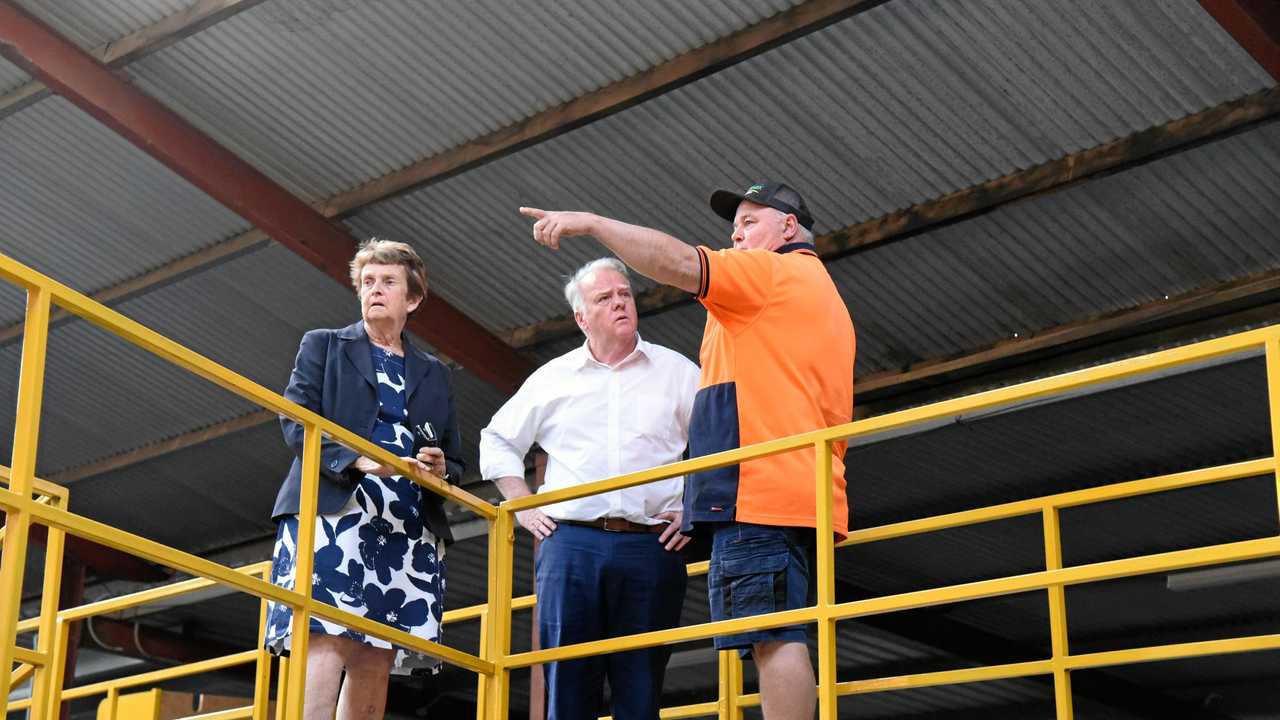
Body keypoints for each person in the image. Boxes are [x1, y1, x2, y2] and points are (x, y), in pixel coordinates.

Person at [518, 181, 854, 720]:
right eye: (734, 226)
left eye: (749, 222)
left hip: (759, 492)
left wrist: (594, 223)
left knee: (773, 637)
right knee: (784, 629)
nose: (735, 234)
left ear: (788, 229)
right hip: (806, 492)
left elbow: (678, 262)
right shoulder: (823, 295)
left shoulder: (770, 274)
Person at [480, 257, 700, 720]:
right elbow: (497, 439)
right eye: (605, 297)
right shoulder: (553, 378)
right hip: (571, 545)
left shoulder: (677, 371)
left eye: (625, 294)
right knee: (569, 688)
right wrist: (520, 504)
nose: (620, 302)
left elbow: (718, 442)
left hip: (652, 545)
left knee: (641, 691)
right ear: (582, 318)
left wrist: (696, 507)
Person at [265, 238, 465, 720]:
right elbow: (295, 421)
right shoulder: (324, 344)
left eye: (388, 282)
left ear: (412, 299)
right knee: (329, 635)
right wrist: (357, 459)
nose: (374, 290)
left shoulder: (435, 373)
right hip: (336, 506)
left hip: (406, 523)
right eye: (367, 282)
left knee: (379, 649)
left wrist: (440, 470)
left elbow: (457, 461)